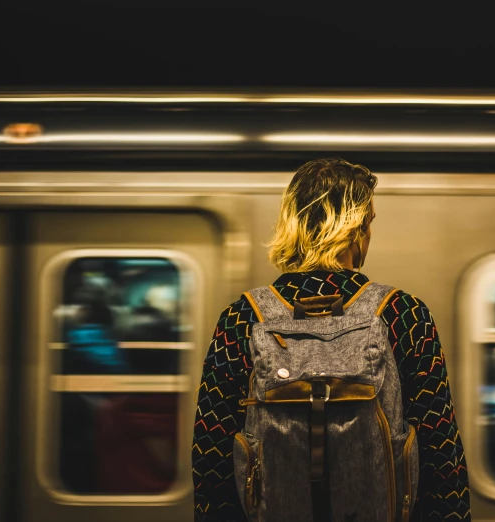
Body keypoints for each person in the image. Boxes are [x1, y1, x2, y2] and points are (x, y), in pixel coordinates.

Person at [192, 158, 470, 521]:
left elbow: (211, 453)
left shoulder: (242, 319)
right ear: (354, 228)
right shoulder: (403, 314)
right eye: (369, 222)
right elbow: (441, 453)